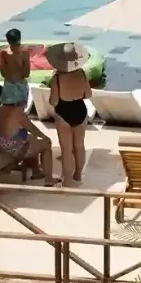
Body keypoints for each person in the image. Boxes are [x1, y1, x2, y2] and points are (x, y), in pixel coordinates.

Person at [0, 83, 52, 180]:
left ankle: (36, 171)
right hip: (15, 149)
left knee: (29, 139)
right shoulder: (17, 111)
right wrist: (45, 137)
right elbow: (32, 128)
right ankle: (49, 179)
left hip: (1, 146)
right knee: (45, 144)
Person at [46, 42, 92, 185]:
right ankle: (78, 175)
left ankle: (67, 180)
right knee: (79, 146)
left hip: (63, 112)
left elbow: (53, 102)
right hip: (80, 110)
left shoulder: (57, 78)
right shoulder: (82, 74)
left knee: (66, 149)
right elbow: (88, 94)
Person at [0, 28, 32, 111]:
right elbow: (26, 74)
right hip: (17, 85)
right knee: (18, 112)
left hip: (12, 85)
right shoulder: (24, 53)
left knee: (12, 112)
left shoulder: (5, 53)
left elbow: (3, 73)